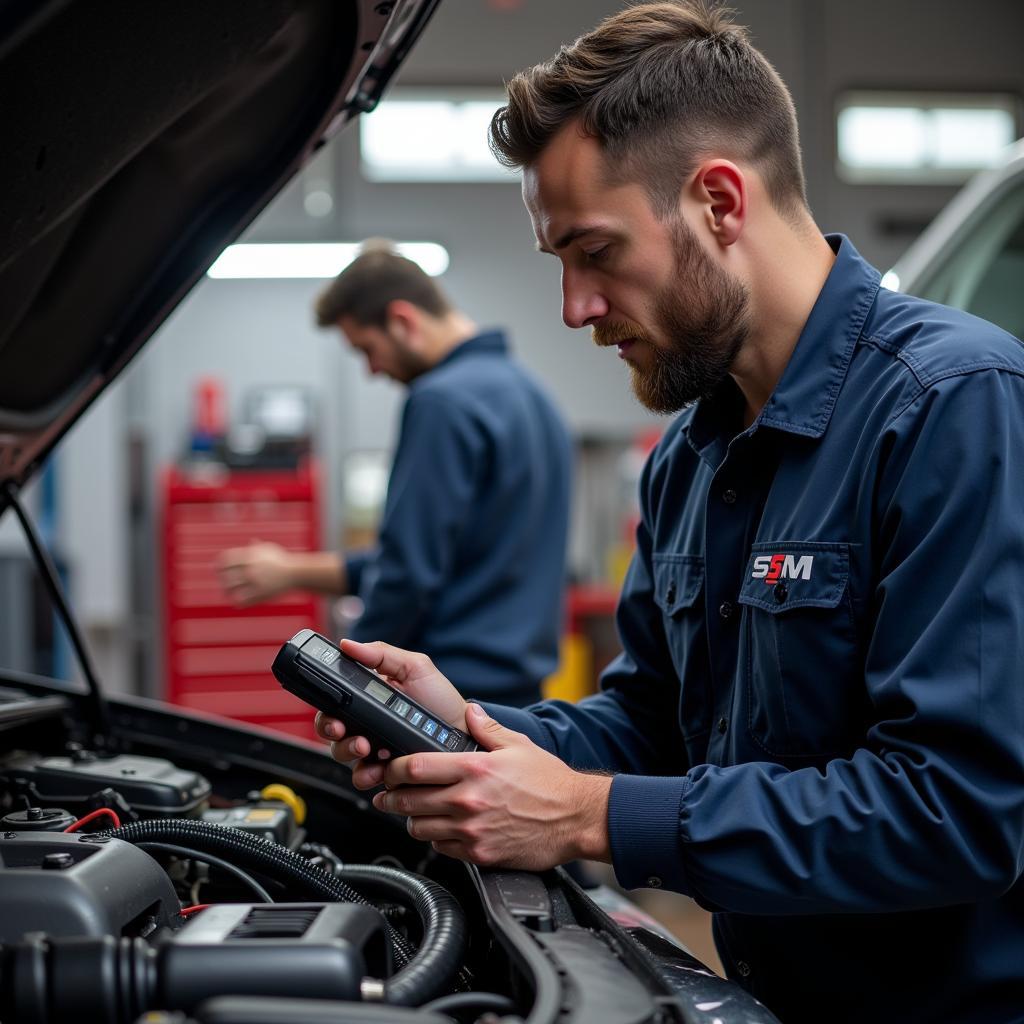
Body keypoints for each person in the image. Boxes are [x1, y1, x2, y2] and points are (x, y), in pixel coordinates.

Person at [313, 5, 1024, 1023]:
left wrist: (592, 817)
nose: (574, 306)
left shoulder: (953, 407)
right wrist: (467, 729)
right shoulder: (693, 453)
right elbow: (653, 723)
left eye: (593, 251)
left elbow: (957, 811)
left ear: (718, 202)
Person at [218, 244, 572, 707]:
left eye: (368, 349)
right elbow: (445, 557)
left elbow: (407, 570)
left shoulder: (442, 400)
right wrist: (291, 570)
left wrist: (346, 677)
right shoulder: (531, 394)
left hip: (448, 692)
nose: (372, 370)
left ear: (403, 320)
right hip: (520, 696)